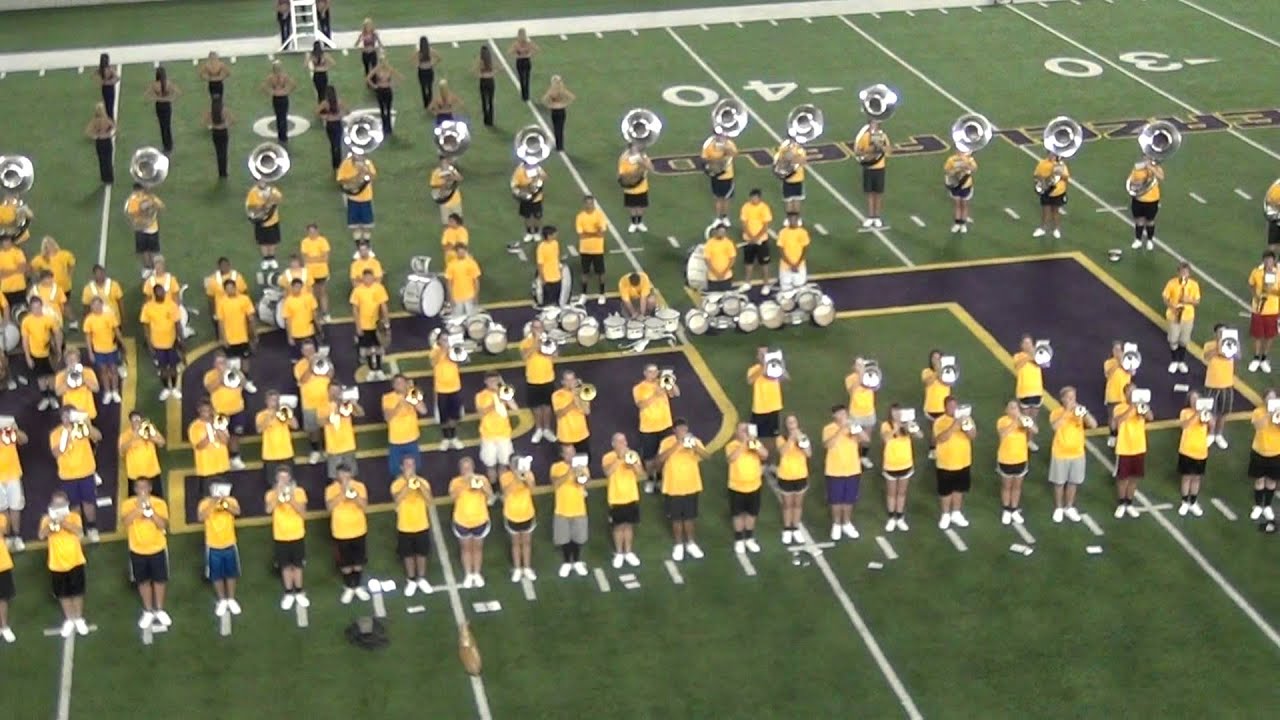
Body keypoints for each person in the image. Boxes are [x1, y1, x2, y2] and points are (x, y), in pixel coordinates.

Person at [121, 479, 171, 630]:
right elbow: (126, 522)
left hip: (157, 548)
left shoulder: (160, 503)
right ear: (135, 489)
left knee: (159, 580)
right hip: (137, 549)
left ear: (150, 488)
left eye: (145, 487)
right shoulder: (128, 504)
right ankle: (148, 610)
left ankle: (160, 609)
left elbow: (162, 525)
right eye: (139, 487)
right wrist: (139, 508)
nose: (142, 490)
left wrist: (150, 511)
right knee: (143, 581)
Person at [657, 419, 710, 561]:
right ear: (674, 430)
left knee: (689, 517)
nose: (683, 431)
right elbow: (660, 460)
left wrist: (695, 447)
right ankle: (679, 544)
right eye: (680, 429)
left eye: (684, 429)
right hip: (673, 486)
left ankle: (691, 543)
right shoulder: (666, 442)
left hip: (691, 485)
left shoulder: (695, 440)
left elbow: (707, 456)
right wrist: (677, 444)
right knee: (676, 519)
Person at [39, 492, 90, 637]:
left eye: (61, 504)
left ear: (67, 504)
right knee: (63, 593)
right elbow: (42, 535)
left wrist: (63, 522)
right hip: (56, 563)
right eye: (56, 504)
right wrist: (52, 523)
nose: (59, 507)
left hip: (75, 561)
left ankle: (79, 618)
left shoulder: (74, 517)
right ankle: (69, 618)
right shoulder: (46, 519)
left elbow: (79, 532)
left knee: (77, 591)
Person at [50, 408, 103, 543]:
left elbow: (98, 437)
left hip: (86, 472)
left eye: (70, 415)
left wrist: (87, 424)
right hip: (68, 476)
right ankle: (78, 528)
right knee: (74, 505)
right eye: (64, 416)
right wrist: (67, 438)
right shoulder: (56, 433)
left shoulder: (81, 428)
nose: (67, 418)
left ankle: (92, 528)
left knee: (89, 502)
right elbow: (56, 453)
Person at [1048, 386, 1097, 523]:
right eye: (1069, 398)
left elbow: (1093, 425)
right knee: (1059, 482)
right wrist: (1067, 412)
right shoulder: (1056, 412)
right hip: (1060, 453)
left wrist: (1085, 414)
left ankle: (1069, 506)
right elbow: (1055, 427)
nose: (1072, 400)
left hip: (1077, 453)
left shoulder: (1079, 413)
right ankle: (1058, 507)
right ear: (1062, 399)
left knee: (1073, 482)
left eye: (1073, 397)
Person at [265, 466, 310, 609]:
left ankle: (299, 591)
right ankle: (289, 592)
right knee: (285, 566)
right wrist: (278, 496)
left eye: (286, 477)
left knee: (297, 565)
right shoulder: (271, 494)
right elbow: (268, 510)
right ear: (276, 479)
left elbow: (303, 513)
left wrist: (291, 498)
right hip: (280, 536)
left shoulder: (299, 492)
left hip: (297, 534)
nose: (283, 480)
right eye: (280, 478)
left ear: (290, 478)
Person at [326, 465, 370, 604]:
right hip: (340, 532)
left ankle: (356, 586)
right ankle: (349, 587)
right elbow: (329, 508)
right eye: (341, 475)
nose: (344, 478)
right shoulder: (331, 489)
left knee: (358, 562)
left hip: (358, 530)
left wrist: (354, 494)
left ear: (351, 475)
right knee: (345, 563)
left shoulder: (360, 486)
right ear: (337, 476)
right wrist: (342, 493)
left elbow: (364, 506)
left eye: (346, 475)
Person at [391, 456, 434, 596]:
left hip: (421, 524)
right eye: (407, 465)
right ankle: (411, 579)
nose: (410, 467)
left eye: (412, 465)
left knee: (421, 554)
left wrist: (418, 485)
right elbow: (397, 499)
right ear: (402, 467)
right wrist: (408, 484)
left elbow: (429, 500)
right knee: (407, 555)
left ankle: (421, 578)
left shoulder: (423, 482)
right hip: (404, 526)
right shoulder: (397, 484)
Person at [824, 406, 868, 541]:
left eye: (844, 413)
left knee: (849, 499)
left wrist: (857, 430)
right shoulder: (828, 428)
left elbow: (866, 440)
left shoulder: (853, 426)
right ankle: (836, 524)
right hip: (834, 470)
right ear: (834, 416)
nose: (843, 416)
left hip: (852, 469)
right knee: (836, 500)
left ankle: (847, 522)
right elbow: (828, 445)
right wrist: (841, 429)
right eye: (840, 414)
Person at [933, 396, 976, 530]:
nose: (953, 409)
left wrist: (966, 427)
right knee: (946, 491)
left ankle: (956, 513)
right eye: (951, 406)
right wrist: (954, 426)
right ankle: (945, 514)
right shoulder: (939, 421)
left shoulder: (967, 419)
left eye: (955, 406)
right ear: (945, 407)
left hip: (963, 461)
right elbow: (940, 439)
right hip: (945, 463)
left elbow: (973, 436)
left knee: (959, 489)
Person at [634, 363, 677, 494]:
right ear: (645, 373)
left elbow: (675, 394)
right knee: (649, 457)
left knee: (663, 455)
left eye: (655, 372)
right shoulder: (639, 388)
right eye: (650, 372)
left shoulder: (662, 382)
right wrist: (655, 394)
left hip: (665, 426)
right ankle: (650, 479)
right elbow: (641, 405)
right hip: (648, 428)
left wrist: (671, 382)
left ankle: (659, 477)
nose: (653, 374)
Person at [200, 483, 242, 617]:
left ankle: (231, 598)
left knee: (231, 573)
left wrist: (224, 502)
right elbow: (201, 517)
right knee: (216, 575)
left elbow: (237, 512)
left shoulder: (231, 501)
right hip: (213, 545)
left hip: (230, 543)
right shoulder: (205, 503)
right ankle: (222, 599)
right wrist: (213, 503)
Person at [450, 457, 493, 588]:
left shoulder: (482, 479)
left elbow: (490, 496)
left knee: (478, 548)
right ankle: (468, 574)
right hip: (462, 521)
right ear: (460, 470)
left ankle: (477, 573)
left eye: (469, 467)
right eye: (464, 468)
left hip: (480, 520)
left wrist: (480, 486)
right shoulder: (456, 482)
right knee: (466, 548)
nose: (467, 470)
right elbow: (453, 497)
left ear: (473, 468)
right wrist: (465, 484)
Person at [1112, 384, 1153, 519]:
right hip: (1124, 447)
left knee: (1134, 478)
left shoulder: (1141, 406)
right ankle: (1121, 503)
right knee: (1123, 478)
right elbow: (1118, 421)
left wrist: (1143, 409)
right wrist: (1133, 408)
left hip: (1139, 447)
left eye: (1134, 392)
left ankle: (1129, 503)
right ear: (1125, 395)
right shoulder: (1119, 407)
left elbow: (1150, 417)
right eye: (1129, 392)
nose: (1132, 394)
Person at [602, 434, 643, 567]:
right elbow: (607, 472)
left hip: (631, 496)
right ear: (613, 444)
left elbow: (640, 473)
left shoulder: (633, 455)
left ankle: (628, 552)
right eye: (619, 441)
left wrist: (632, 463)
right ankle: (619, 553)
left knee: (629, 526)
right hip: (616, 497)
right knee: (618, 527)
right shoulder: (608, 457)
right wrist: (619, 459)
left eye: (624, 441)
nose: (623, 443)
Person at [725, 423, 766, 553]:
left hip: (754, 485)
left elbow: (765, 455)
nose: (745, 433)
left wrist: (754, 445)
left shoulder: (754, 443)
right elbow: (731, 458)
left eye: (746, 430)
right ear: (736, 433)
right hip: (737, 486)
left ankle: (749, 538)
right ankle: (739, 539)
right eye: (742, 430)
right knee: (737, 514)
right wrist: (744, 444)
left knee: (751, 513)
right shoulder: (731, 445)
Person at [550, 445, 589, 578]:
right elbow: (555, 484)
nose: (571, 456)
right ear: (562, 455)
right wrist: (569, 472)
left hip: (578, 509)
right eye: (568, 453)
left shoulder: (582, 467)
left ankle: (577, 561)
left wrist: (579, 472)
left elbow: (584, 483)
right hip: (562, 509)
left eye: (573, 453)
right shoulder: (556, 467)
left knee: (577, 538)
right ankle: (567, 562)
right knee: (565, 539)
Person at [203, 353, 247, 470]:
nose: (221, 364)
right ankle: (222, 459)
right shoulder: (210, 375)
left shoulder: (234, 372)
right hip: (220, 412)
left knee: (235, 435)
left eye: (223, 362)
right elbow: (210, 388)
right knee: (221, 436)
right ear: (214, 364)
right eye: (219, 362)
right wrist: (221, 377)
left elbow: (243, 383)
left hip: (237, 409)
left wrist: (237, 373)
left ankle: (235, 458)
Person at [996, 401, 1036, 525]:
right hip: (1006, 459)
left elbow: (1035, 430)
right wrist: (1016, 422)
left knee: (1017, 487)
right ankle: (1006, 510)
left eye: (1016, 407)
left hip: (1021, 459)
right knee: (1007, 486)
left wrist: (1025, 422)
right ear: (1006, 410)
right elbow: (1003, 434)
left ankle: (1014, 509)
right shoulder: (1002, 421)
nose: (1014, 410)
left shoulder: (1024, 419)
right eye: (1011, 408)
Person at [215, 278, 257, 395]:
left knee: (245, 360)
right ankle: (234, 382)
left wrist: (253, 334)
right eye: (227, 289)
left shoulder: (244, 299)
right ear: (225, 290)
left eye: (232, 288)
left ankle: (246, 381)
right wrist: (222, 338)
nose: (230, 290)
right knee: (231, 363)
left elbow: (250, 318)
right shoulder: (222, 302)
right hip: (229, 338)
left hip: (243, 337)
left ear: (235, 288)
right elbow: (220, 322)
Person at [775, 413, 812, 544]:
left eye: (794, 422)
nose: (792, 425)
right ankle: (787, 528)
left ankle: (795, 527)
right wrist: (791, 438)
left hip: (801, 475)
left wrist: (801, 441)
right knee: (787, 505)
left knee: (797, 504)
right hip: (785, 475)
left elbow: (808, 454)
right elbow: (782, 452)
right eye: (789, 423)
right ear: (786, 425)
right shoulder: (781, 438)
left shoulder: (803, 437)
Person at [476, 372, 517, 489]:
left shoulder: (504, 393)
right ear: (486, 382)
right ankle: (494, 488)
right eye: (491, 381)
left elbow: (515, 408)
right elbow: (481, 413)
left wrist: (506, 397)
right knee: (490, 465)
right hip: (488, 435)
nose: (494, 383)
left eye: (496, 381)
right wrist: (496, 401)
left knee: (504, 464)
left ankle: (502, 488)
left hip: (504, 435)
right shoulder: (481, 395)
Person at [295, 341, 333, 463]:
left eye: (311, 350)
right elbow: (302, 380)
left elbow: (331, 375)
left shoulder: (324, 360)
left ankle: (328, 450)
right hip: (309, 403)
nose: (309, 353)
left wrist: (324, 361)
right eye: (306, 350)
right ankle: (316, 451)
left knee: (328, 427)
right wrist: (311, 365)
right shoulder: (299, 365)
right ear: (302, 352)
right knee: (313, 430)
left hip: (326, 402)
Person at [22, 296, 63, 409]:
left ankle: (52, 398)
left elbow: (57, 333)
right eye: (34, 308)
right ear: (30, 308)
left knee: (51, 376)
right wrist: (28, 357)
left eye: (39, 307)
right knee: (40, 377)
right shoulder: (26, 321)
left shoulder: (49, 319)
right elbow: (25, 340)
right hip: (35, 354)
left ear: (42, 307)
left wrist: (58, 349)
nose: (37, 310)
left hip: (49, 354)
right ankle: (45, 398)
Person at [501, 458, 537, 581]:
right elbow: (506, 492)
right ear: (510, 466)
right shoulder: (505, 476)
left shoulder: (528, 474)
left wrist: (526, 478)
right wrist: (516, 478)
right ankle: (517, 568)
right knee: (515, 543)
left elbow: (532, 489)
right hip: (512, 514)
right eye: (513, 464)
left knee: (526, 543)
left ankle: (527, 567)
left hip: (527, 513)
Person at [83, 297, 124, 404]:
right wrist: (90, 352)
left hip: (112, 349)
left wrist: (122, 344)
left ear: (102, 305)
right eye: (94, 305)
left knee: (114, 370)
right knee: (103, 371)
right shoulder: (89, 319)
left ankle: (115, 391)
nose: (96, 307)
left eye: (98, 304)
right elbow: (88, 337)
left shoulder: (109, 316)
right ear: (91, 307)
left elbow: (117, 331)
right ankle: (107, 392)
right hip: (98, 350)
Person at [520, 318, 556, 443]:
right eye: (535, 327)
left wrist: (546, 345)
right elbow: (524, 356)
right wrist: (536, 344)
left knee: (547, 406)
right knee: (536, 407)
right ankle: (538, 429)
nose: (538, 330)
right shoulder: (526, 342)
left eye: (539, 327)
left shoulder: (549, 341)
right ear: (531, 329)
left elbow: (555, 355)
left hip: (548, 378)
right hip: (533, 380)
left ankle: (547, 428)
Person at [383, 374, 427, 475]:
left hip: (411, 439)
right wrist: (399, 405)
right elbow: (387, 418)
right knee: (396, 471)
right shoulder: (387, 397)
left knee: (415, 469)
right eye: (397, 383)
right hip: (395, 441)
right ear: (393, 385)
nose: (400, 385)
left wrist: (412, 397)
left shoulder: (412, 395)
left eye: (402, 383)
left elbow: (423, 410)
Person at [1162, 262, 1200, 374]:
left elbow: (1197, 301)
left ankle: (1181, 361)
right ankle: (1174, 360)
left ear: (1189, 274)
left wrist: (1188, 300)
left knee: (1184, 341)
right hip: (1174, 315)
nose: (1184, 274)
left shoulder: (1194, 285)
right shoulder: (1171, 283)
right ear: (1178, 272)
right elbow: (1165, 297)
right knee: (1173, 339)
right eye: (1182, 272)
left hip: (1187, 316)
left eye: (1186, 272)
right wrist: (1172, 306)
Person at [1201, 324, 1236, 449]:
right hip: (1212, 384)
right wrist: (1218, 347)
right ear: (1215, 334)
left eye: (1224, 332)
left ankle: (1219, 434)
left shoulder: (1232, 344)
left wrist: (1230, 344)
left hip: (1227, 384)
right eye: (1220, 332)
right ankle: (1210, 433)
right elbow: (1206, 357)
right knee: (1211, 412)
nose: (1222, 334)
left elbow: (1238, 356)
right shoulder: (1209, 345)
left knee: (1223, 412)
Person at [1176, 391, 1210, 518]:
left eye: (1197, 399)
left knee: (1196, 478)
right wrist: (1196, 414)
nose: (1195, 402)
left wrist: (1207, 416)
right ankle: (1185, 501)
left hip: (1201, 451)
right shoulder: (1185, 413)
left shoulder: (1206, 413)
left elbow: (1211, 426)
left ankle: (1193, 502)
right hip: (1186, 450)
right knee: (1186, 477)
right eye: (1192, 399)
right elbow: (1185, 425)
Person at [430, 332, 464, 450]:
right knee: (444, 416)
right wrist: (443, 351)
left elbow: (462, 360)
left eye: (447, 339)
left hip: (455, 387)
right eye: (443, 340)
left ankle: (453, 437)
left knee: (454, 415)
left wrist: (453, 350)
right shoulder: (435, 351)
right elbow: (433, 362)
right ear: (438, 341)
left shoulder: (455, 350)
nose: (445, 342)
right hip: (441, 389)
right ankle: (445, 438)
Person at [1247, 251, 1280, 372]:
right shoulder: (1257, 272)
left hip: (1272, 309)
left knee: (1269, 336)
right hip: (1258, 309)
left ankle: (1264, 358)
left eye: (1270, 260)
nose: (1268, 262)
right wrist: (1255, 295)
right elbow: (1251, 284)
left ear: (1274, 261)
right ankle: (1256, 358)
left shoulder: (1278, 274)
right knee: (1257, 335)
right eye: (1266, 260)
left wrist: (1271, 291)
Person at [256, 391, 298, 483]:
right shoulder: (261, 415)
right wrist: (271, 416)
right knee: (273, 483)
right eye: (272, 400)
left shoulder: (284, 412)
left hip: (287, 453)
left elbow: (295, 426)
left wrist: (288, 414)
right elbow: (259, 430)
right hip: (270, 455)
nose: (274, 402)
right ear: (266, 401)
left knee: (290, 482)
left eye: (276, 400)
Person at [1011, 335, 1044, 451]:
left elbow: (1044, 364)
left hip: (1037, 391)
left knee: (1033, 419)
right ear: (1021, 346)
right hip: (1024, 392)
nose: (1028, 345)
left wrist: (1035, 356)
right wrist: (1029, 356)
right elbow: (1017, 366)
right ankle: (1021, 440)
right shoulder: (1018, 356)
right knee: (1024, 419)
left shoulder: (1039, 355)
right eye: (1025, 343)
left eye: (1030, 343)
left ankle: (1030, 441)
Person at [119, 411, 164, 498]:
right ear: (130, 421)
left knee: (157, 500)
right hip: (134, 475)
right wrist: (135, 437)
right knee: (134, 501)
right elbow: (121, 451)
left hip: (152, 472)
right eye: (134, 420)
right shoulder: (125, 435)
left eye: (138, 420)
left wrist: (149, 436)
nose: (136, 422)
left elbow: (161, 442)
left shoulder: (150, 429)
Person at [701, 125, 737, 230]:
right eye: (717, 135)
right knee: (717, 198)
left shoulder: (729, 143)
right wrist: (714, 163)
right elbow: (704, 159)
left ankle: (725, 217)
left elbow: (735, 154)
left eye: (721, 135)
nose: (719, 137)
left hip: (727, 175)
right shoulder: (708, 144)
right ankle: (718, 217)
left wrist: (726, 149)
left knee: (726, 198)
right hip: (715, 175)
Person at [125, 182, 166, 275]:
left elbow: (161, 207)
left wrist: (151, 203)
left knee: (148, 251)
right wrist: (143, 208)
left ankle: (152, 268)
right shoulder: (137, 199)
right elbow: (131, 213)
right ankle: (149, 269)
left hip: (147, 228)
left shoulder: (146, 198)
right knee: (146, 251)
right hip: (143, 228)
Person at [188, 400, 231, 489]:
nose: (207, 413)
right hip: (206, 469)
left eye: (209, 410)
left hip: (222, 466)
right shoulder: (194, 427)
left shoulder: (219, 422)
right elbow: (199, 446)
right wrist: (210, 433)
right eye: (204, 410)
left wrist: (217, 428)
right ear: (199, 411)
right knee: (207, 498)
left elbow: (225, 441)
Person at [0, 419, 28, 552]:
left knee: (15, 507)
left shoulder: (7, 425)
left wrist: (14, 429)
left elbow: (24, 440)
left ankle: (16, 536)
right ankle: (6, 536)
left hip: (12, 474)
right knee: (2, 508)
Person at [323, 384, 363, 480]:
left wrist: (354, 403)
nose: (335, 394)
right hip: (333, 448)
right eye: (332, 391)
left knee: (351, 476)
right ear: (328, 392)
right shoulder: (323, 406)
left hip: (348, 446)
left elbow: (360, 414)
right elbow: (320, 422)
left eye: (337, 391)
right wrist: (335, 412)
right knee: (335, 477)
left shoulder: (346, 404)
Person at [844, 358, 877, 470]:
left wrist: (867, 373)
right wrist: (860, 375)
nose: (860, 367)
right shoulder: (849, 379)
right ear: (853, 367)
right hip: (855, 413)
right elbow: (852, 391)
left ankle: (863, 456)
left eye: (861, 364)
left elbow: (876, 386)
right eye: (858, 365)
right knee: (854, 436)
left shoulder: (870, 375)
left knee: (867, 437)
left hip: (869, 412)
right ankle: (853, 457)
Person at [746, 346, 785, 440]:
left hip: (774, 407)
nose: (763, 356)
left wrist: (782, 366)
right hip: (759, 408)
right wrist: (763, 368)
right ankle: (754, 450)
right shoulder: (753, 369)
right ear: (757, 356)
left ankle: (768, 452)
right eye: (761, 354)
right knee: (753, 434)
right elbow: (749, 381)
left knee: (773, 436)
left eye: (765, 354)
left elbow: (785, 378)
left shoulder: (776, 366)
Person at [337, 151, 377, 243]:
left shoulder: (367, 163)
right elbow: (341, 180)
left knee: (367, 225)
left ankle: (366, 245)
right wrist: (357, 175)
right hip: (352, 199)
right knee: (355, 226)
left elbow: (373, 177)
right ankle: (359, 246)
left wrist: (365, 170)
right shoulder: (346, 163)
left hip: (366, 198)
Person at [855, 119, 889, 227]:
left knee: (878, 193)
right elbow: (857, 151)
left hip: (879, 167)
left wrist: (880, 147)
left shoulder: (882, 136)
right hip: (869, 167)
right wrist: (869, 151)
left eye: (876, 124)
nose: (874, 126)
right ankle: (870, 216)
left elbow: (889, 150)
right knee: (870, 193)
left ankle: (877, 216)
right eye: (872, 124)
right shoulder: (865, 137)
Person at [246, 175, 285, 268]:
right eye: (260, 181)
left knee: (272, 241)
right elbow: (250, 206)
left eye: (264, 180)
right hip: (260, 221)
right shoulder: (253, 192)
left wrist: (271, 197)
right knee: (262, 241)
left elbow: (279, 198)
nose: (262, 182)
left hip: (272, 220)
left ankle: (272, 258)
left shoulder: (272, 190)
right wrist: (261, 205)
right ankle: (265, 259)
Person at [739, 189, 773, 293]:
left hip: (761, 241)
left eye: (755, 198)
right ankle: (747, 283)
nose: (753, 200)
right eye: (752, 198)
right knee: (748, 262)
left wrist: (756, 238)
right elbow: (744, 224)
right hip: (748, 240)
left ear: (759, 198)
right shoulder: (745, 207)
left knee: (764, 263)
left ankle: (766, 284)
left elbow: (765, 225)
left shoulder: (764, 208)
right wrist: (750, 237)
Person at [551, 370, 591, 458]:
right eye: (568, 380)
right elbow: (559, 414)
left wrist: (579, 394)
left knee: (585, 461)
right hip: (566, 437)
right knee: (569, 463)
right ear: (562, 382)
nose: (571, 382)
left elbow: (587, 411)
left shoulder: (582, 392)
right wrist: (573, 400)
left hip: (582, 434)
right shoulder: (557, 395)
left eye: (572, 379)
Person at [575, 195, 608, 303]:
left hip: (598, 249)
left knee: (601, 272)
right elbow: (581, 235)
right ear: (584, 204)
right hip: (585, 249)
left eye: (591, 203)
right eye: (588, 203)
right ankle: (584, 294)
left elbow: (602, 233)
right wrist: (595, 232)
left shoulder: (599, 215)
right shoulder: (580, 216)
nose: (590, 205)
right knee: (585, 273)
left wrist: (588, 233)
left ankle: (602, 293)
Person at [1127, 157, 1164, 251]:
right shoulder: (1137, 168)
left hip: (1152, 199)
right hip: (1139, 198)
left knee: (1150, 221)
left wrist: (1151, 168)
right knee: (1139, 220)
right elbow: (1132, 180)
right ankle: (1138, 240)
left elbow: (1161, 177)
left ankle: (1150, 240)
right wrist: (1139, 183)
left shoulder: (1156, 167)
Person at [1032, 151, 1070, 239]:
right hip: (1046, 190)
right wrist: (1042, 182)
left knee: (1055, 211)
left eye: (1053, 154)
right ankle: (1042, 228)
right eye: (1050, 154)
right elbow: (1036, 175)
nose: (1052, 156)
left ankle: (1056, 229)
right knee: (1045, 211)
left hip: (1058, 191)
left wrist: (1058, 172)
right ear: (1048, 154)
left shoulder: (1061, 165)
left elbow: (1066, 178)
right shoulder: (1042, 163)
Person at [921, 350, 951, 458]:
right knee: (934, 431)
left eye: (938, 358)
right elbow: (927, 382)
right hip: (931, 407)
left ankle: (943, 449)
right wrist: (937, 371)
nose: (936, 360)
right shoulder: (927, 371)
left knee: (945, 429)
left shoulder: (948, 371)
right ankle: (933, 449)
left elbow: (948, 382)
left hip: (945, 407)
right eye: (934, 358)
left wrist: (942, 370)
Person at [54, 350, 99, 421]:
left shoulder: (88, 371)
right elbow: (58, 392)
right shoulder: (60, 375)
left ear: (78, 360)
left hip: (86, 411)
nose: (72, 362)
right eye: (69, 360)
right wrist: (67, 377)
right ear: (65, 361)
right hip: (70, 412)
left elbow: (96, 389)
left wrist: (82, 378)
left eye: (74, 359)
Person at [143, 66, 180, 154]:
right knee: (167, 125)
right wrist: (170, 98)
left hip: (159, 106)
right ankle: (169, 145)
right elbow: (178, 92)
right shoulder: (168, 83)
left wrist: (156, 98)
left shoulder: (155, 84)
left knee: (162, 126)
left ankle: (165, 145)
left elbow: (146, 94)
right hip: (167, 105)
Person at [618, 143, 653, 233]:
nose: (636, 150)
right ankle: (633, 223)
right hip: (630, 189)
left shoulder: (643, 157)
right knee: (632, 207)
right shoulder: (624, 160)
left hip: (642, 187)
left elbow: (651, 168)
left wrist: (642, 162)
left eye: (637, 148)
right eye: (634, 148)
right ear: (630, 149)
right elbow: (623, 175)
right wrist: (635, 173)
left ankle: (640, 222)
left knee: (641, 207)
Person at [1102, 341, 1132, 448]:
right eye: (1115, 349)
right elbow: (1108, 374)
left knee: (1126, 416)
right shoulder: (1108, 362)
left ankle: (1123, 436)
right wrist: (1118, 363)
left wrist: (1124, 361)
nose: (1117, 352)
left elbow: (1132, 372)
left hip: (1126, 396)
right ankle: (1113, 435)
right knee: (1112, 417)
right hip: (1112, 395)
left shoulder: (1129, 361)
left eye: (1119, 349)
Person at [281, 278, 320, 359]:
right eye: (295, 287)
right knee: (298, 358)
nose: (297, 289)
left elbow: (315, 314)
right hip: (296, 334)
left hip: (310, 332)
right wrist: (289, 337)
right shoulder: (288, 301)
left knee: (313, 356)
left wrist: (319, 328)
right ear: (291, 287)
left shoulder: (309, 297)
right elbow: (287, 320)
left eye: (299, 287)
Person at [299, 223, 332, 320]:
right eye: (310, 232)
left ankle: (325, 313)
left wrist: (312, 259)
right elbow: (305, 259)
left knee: (322, 292)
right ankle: (313, 313)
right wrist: (318, 258)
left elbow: (325, 258)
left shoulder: (323, 241)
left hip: (322, 272)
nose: (312, 234)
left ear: (317, 231)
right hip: (309, 273)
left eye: (313, 232)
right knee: (311, 293)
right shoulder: (305, 242)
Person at [511, 158, 546, 245]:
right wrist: (521, 193)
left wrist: (537, 180)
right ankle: (529, 232)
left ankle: (537, 232)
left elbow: (544, 177)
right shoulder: (519, 171)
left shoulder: (538, 168)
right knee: (527, 216)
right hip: (525, 197)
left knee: (537, 216)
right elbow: (514, 185)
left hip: (537, 198)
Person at [261, 61, 297, 144]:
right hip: (283, 97)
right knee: (283, 117)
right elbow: (293, 84)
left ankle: (280, 136)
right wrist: (286, 91)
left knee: (278, 117)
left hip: (276, 97)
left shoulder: (271, 77)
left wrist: (272, 92)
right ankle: (284, 137)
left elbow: (263, 87)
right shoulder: (284, 76)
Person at [365, 51, 400, 136]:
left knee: (388, 110)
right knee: (382, 110)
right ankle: (384, 128)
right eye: (381, 60)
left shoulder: (389, 69)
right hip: (380, 91)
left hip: (388, 90)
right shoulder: (377, 69)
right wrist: (374, 86)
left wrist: (392, 84)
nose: (383, 62)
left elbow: (400, 77)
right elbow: (368, 78)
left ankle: (389, 129)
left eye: (384, 60)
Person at [942, 147, 975, 232]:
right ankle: (957, 223)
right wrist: (955, 171)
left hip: (966, 185)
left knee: (964, 204)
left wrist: (966, 164)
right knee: (957, 204)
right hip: (955, 184)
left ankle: (963, 224)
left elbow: (974, 168)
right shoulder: (951, 159)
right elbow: (947, 170)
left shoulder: (969, 159)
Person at [444, 246, 482, 318]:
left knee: (472, 319)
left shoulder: (472, 263)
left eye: (463, 252)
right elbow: (449, 283)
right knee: (458, 320)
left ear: (466, 251)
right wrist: (451, 298)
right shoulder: (451, 265)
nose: (461, 254)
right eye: (459, 252)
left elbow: (476, 281)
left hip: (470, 296)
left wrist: (476, 296)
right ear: (456, 253)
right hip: (456, 298)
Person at [203, 95, 235, 179]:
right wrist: (225, 125)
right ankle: (224, 172)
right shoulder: (224, 111)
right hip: (223, 132)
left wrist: (213, 126)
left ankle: (220, 172)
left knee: (218, 152)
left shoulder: (210, 111)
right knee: (224, 152)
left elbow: (206, 122)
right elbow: (232, 120)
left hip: (215, 132)